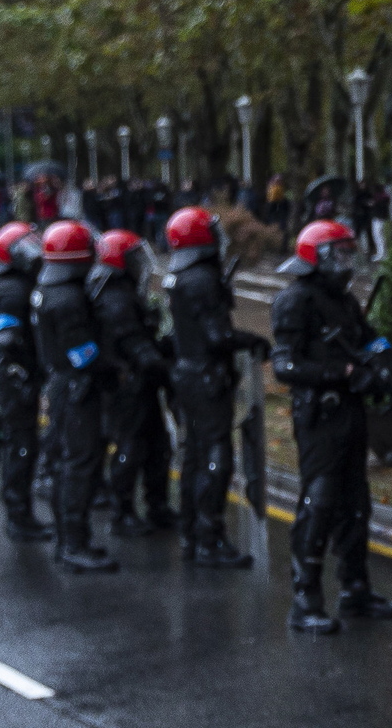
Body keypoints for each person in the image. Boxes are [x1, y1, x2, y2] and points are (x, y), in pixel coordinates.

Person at [273, 217, 392, 630]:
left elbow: (370, 339)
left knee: (356, 503)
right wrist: (344, 373)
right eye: (340, 254)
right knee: (320, 501)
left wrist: (390, 369)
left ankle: (355, 589)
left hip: (350, 413)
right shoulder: (295, 300)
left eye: (351, 254)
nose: (347, 263)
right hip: (319, 415)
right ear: (317, 258)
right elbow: (286, 365)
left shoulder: (344, 301)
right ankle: (305, 599)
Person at [165, 205, 267, 568]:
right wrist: (252, 340)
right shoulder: (202, 280)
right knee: (214, 458)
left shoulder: (180, 276)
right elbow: (217, 335)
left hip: (188, 375)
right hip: (207, 378)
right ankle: (210, 538)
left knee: (194, 455)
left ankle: (193, 533)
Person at [32, 221, 119, 574]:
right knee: (79, 465)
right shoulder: (68, 301)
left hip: (62, 384)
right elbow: (83, 354)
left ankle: (71, 539)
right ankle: (73, 544)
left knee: (68, 463)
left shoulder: (48, 289)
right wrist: (112, 367)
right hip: (76, 389)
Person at [93, 231, 176, 533]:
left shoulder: (126, 292)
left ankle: (158, 506)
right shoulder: (115, 299)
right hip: (127, 386)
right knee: (131, 447)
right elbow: (133, 343)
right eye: (134, 258)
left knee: (158, 446)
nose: (141, 264)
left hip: (141, 382)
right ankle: (123, 511)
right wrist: (163, 364)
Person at [0, 222, 51, 542]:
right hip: (14, 378)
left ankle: (20, 513)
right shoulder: (12, 289)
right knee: (21, 447)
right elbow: (7, 339)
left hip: (11, 376)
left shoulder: (8, 283)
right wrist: (22, 376)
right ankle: (18, 517)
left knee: (21, 444)